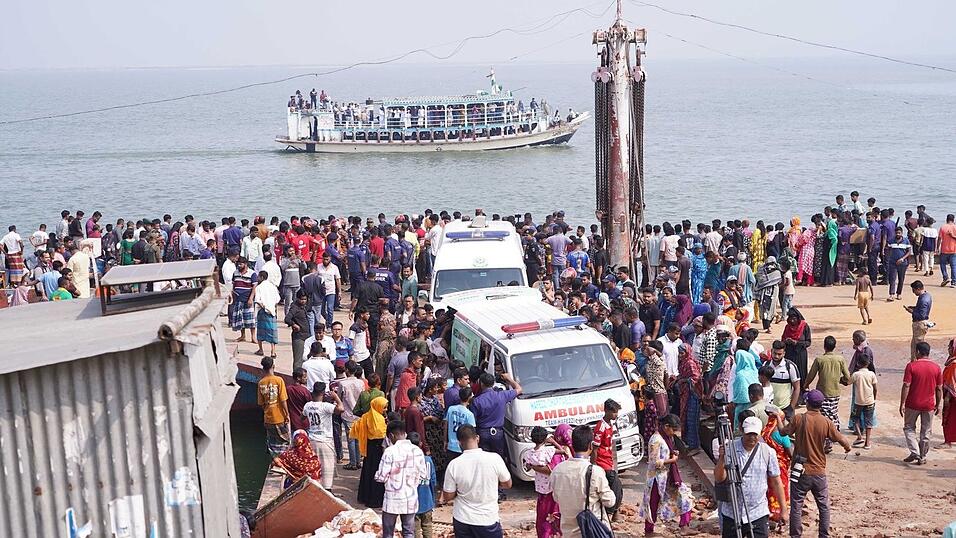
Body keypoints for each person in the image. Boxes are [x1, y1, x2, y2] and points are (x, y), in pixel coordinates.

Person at [777, 390, 851, 538]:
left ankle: (795, 535)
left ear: (808, 403)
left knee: (796, 506)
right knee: (823, 506)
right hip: (819, 472)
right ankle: (824, 535)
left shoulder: (799, 419)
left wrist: (778, 418)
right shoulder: (826, 422)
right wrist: (847, 448)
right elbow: (842, 440)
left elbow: (783, 432)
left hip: (801, 471)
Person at [440, 425, 512, 538]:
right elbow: (507, 484)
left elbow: (448, 496)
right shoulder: (494, 459)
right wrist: (492, 483)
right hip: (487, 518)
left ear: (459, 443)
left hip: (462, 519)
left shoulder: (454, 464)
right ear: (477, 438)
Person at [550, 425, 616, 538]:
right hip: (592, 531)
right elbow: (610, 501)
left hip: (568, 532)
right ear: (590, 445)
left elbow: (556, 498)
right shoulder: (595, 472)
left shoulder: (557, 470)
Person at [640, 414, 693, 536]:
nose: (674, 433)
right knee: (652, 505)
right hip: (656, 479)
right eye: (673, 430)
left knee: (684, 497)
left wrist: (672, 454)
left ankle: (684, 525)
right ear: (666, 426)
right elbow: (654, 462)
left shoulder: (666, 438)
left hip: (669, 477)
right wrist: (672, 460)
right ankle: (648, 530)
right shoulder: (656, 439)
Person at [375, 420, 427, 538]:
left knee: (388, 533)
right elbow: (424, 475)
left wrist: (377, 476)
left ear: (391, 435)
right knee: (408, 532)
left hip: (392, 499)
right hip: (410, 498)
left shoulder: (389, 451)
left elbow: (382, 477)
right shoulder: (417, 451)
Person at [471, 372, 522, 482]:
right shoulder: (502, 395)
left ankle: (488, 486)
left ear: (481, 383)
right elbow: (519, 389)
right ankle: (500, 488)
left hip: (483, 433)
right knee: (499, 460)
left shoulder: (476, 401)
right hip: (498, 434)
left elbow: (473, 421)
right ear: (493, 383)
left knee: (485, 462)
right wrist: (509, 379)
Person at [804, 336, 850, 451]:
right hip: (835, 393)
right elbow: (848, 378)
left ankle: (827, 441)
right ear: (835, 346)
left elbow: (811, 375)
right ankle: (831, 439)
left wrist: (805, 385)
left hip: (822, 393)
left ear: (824, 346)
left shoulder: (819, 359)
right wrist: (840, 380)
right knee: (833, 415)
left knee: (824, 417)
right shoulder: (840, 359)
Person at [900, 341, 943, 465]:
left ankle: (915, 452)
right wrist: (938, 404)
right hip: (929, 405)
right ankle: (922, 456)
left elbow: (906, 385)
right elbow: (939, 388)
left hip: (912, 403)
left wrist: (902, 403)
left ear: (918, 352)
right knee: (926, 431)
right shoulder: (936, 367)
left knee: (909, 428)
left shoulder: (911, 366)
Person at [303, 381, 344, 490]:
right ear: (323, 393)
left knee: (314, 468)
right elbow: (341, 409)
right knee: (327, 470)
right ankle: (327, 492)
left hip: (311, 440)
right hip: (325, 441)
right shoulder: (326, 406)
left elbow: (302, 417)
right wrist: (336, 397)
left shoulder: (307, 405)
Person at [521, 426, 559, 538]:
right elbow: (563, 450)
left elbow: (527, 468)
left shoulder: (528, 454)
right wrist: (553, 442)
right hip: (551, 489)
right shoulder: (548, 451)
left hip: (540, 490)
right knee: (554, 514)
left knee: (542, 516)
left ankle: (544, 534)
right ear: (545, 438)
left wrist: (532, 466)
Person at [352, 396, 388, 508]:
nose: (385, 410)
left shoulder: (366, 417)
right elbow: (380, 434)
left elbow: (356, 429)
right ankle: (375, 499)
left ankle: (365, 496)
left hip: (369, 448)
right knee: (376, 473)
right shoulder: (378, 419)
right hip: (377, 450)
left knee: (367, 472)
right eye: (384, 408)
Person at [591, 399, 623, 520]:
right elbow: (595, 449)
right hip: (602, 463)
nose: (616, 415)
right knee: (615, 485)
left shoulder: (610, 424)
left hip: (609, 460)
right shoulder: (601, 427)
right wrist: (593, 466)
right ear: (606, 411)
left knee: (615, 486)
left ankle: (614, 512)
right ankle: (610, 512)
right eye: (614, 412)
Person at [258, 356, 290, 457]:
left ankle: (275, 461)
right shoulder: (279, 380)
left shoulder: (261, 383)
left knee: (272, 443)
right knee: (285, 441)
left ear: (263, 368)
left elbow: (261, 403)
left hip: (268, 418)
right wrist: (287, 414)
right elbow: (283, 399)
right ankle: (284, 462)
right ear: (273, 366)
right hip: (279, 416)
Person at [409, 431, 437, 538]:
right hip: (427, 500)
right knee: (427, 526)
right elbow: (433, 480)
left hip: (413, 502)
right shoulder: (428, 460)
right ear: (420, 444)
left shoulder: (408, 461)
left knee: (415, 528)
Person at [849, 353, 877, 450]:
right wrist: (874, 398)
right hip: (870, 401)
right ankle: (867, 442)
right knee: (868, 422)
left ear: (858, 363)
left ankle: (860, 436)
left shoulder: (856, 375)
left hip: (858, 402)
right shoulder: (872, 374)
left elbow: (848, 382)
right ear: (868, 363)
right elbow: (875, 388)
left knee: (855, 418)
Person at [231, 257, 258, 343]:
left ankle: (253, 337)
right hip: (238, 299)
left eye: (241, 264)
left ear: (245, 264)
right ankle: (243, 336)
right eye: (238, 264)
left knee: (251, 319)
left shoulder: (252, 273)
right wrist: (231, 295)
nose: (239, 265)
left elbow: (254, 287)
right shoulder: (235, 273)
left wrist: (251, 298)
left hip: (247, 299)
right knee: (240, 319)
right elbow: (233, 285)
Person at [254, 270, 280, 358]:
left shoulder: (259, 287)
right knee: (272, 331)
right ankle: (273, 351)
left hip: (262, 310)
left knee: (260, 331)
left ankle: (261, 349)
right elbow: (277, 299)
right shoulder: (273, 286)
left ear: (261, 277)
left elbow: (258, 300)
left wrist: (264, 307)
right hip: (272, 311)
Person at [904, 280, 932, 360]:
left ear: (918, 289)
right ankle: (914, 362)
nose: (913, 292)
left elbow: (921, 315)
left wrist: (912, 311)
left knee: (919, 346)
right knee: (914, 345)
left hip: (920, 324)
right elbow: (920, 310)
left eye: (914, 290)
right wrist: (914, 308)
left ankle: (920, 363)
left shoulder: (923, 300)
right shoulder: (926, 296)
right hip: (921, 323)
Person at [445, 387, 476, 461]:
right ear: (469, 398)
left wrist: (445, 441)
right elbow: (471, 433)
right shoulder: (469, 414)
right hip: (463, 447)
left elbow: (445, 425)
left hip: (451, 446)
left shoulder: (451, 409)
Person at [781, 308, 811, 384]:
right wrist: (786, 341)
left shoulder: (804, 326)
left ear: (798, 318)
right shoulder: (787, 327)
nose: (792, 321)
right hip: (789, 354)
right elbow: (782, 340)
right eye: (790, 318)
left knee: (801, 373)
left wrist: (797, 343)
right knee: (790, 372)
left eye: (794, 318)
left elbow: (808, 342)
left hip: (800, 354)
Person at [285, 290, 311, 369]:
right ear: (297, 298)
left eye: (305, 299)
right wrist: (294, 324)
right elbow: (287, 319)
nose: (303, 301)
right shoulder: (295, 308)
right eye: (302, 299)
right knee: (298, 360)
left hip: (306, 336)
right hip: (299, 337)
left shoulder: (303, 307)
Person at [885, 226, 911, 301]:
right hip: (893, 263)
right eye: (896, 233)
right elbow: (888, 249)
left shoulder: (906, 241)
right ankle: (891, 294)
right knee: (892, 279)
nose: (898, 234)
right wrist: (889, 257)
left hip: (902, 263)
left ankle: (899, 294)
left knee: (901, 279)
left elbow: (909, 252)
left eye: (899, 233)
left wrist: (902, 259)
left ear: (902, 233)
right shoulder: (891, 240)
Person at [940, 339, 956, 449]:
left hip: (952, 397)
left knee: (949, 418)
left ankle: (948, 441)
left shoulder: (953, 366)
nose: (949, 349)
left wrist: (947, 398)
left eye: (950, 347)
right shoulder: (951, 362)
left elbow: (951, 383)